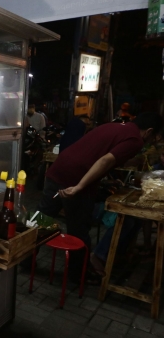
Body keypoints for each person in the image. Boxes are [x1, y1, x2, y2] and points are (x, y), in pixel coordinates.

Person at [36, 112, 163, 283]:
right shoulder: (136, 139)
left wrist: (110, 177)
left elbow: (95, 153)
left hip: (58, 169)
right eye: (154, 137)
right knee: (79, 230)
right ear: (149, 131)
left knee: (41, 219)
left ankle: (24, 258)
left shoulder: (114, 126)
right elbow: (104, 160)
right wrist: (79, 187)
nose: (153, 141)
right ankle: (78, 275)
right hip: (77, 177)